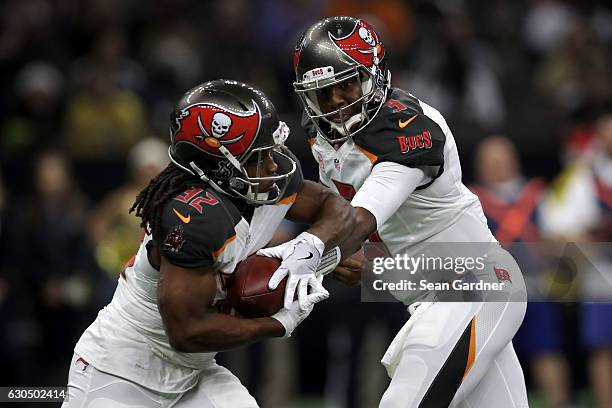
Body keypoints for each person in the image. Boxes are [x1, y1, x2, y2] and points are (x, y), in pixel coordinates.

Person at [62, 79, 355, 407]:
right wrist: (275, 324)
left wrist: (314, 247)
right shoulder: (193, 217)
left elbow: (335, 207)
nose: (274, 163)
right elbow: (186, 332)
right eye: (259, 155)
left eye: (271, 148)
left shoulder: (270, 181)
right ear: (218, 164)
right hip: (120, 372)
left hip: (193, 373)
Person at [290, 16, 528, 407]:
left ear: (374, 75)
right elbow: (382, 240)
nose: (334, 102)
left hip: (473, 284)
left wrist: (304, 253)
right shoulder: (321, 132)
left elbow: (362, 217)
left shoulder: (409, 126)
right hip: (426, 289)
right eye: (323, 92)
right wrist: (356, 263)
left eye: (346, 84)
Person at [471, 136, 571, 408]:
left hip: (535, 286)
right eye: (490, 160)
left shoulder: (538, 194)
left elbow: (560, 234)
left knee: (546, 349)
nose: (498, 164)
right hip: (490, 294)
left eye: (502, 157)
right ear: (480, 166)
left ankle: (557, 402)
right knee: (487, 357)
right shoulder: (470, 200)